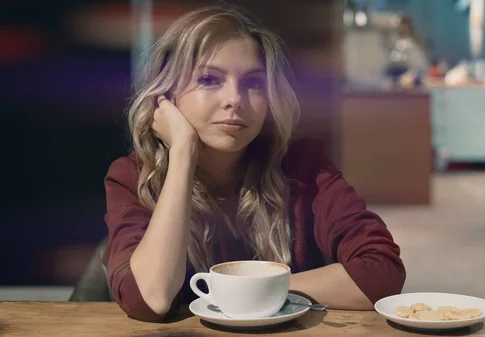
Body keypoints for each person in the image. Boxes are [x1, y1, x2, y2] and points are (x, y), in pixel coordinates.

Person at [103, 5, 406, 322]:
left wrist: (243, 291)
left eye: (253, 83)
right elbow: (149, 299)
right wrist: (182, 152)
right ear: (166, 95)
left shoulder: (303, 165)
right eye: (209, 79)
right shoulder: (133, 175)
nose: (235, 99)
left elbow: (381, 274)